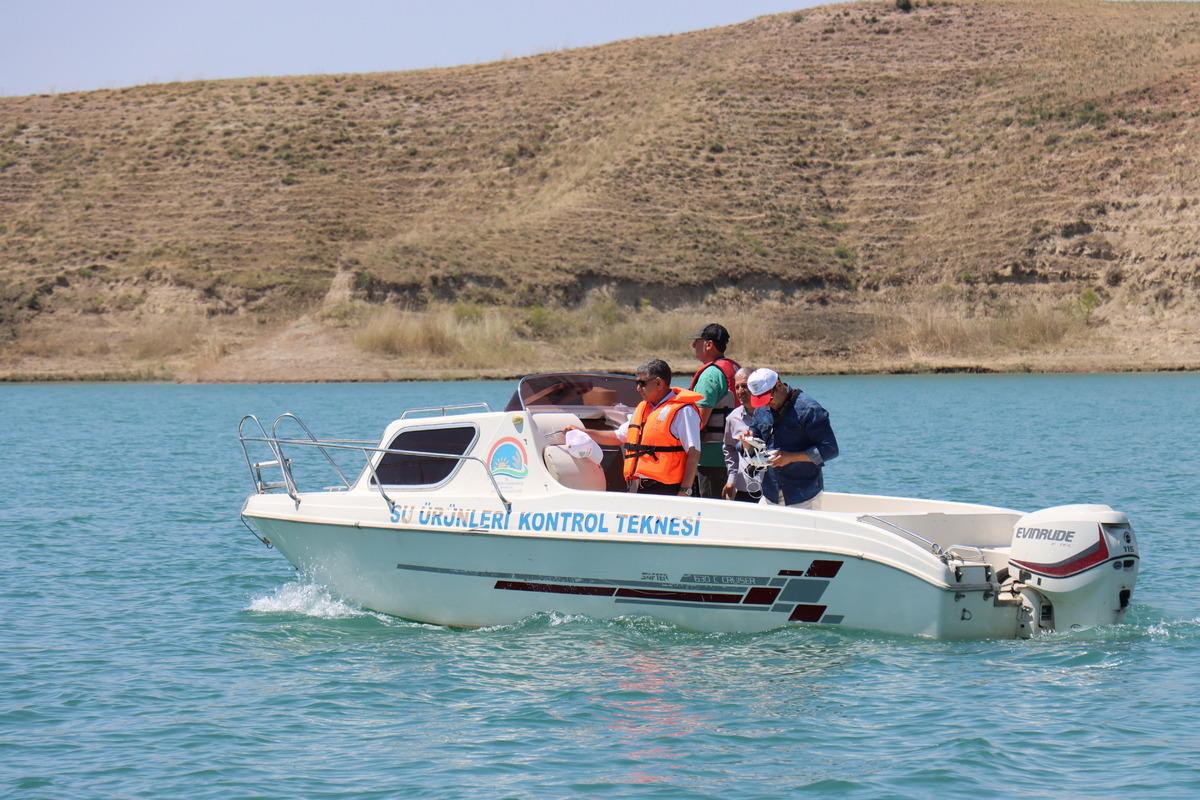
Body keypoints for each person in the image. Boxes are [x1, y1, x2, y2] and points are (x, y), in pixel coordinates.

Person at [573, 359, 702, 496]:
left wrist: (685, 491)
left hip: (670, 490)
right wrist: (582, 432)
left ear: (658, 383)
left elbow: (694, 453)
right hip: (642, 488)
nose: (638, 388)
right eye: (636, 383)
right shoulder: (643, 409)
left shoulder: (684, 411)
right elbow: (617, 436)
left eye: (642, 383)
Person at [744, 368, 839, 508]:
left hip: (804, 496)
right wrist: (746, 444)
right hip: (770, 493)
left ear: (778, 385)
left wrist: (791, 457)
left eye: (767, 399)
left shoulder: (810, 409)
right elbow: (752, 441)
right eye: (760, 401)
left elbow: (830, 450)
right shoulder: (761, 409)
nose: (766, 404)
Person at [687, 323, 741, 498]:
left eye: (697, 341)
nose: (693, 345)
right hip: (735, 455)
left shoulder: (710, 375)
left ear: (708, 344)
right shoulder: (735, 369)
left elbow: (699, 421)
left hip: (711, 458)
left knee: (710, 508)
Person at [720, 366, 759, 503]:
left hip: (770, 488)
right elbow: (729, 448)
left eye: (744, 386)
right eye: (737, 387)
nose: (740, 391)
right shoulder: (732, 418)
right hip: (744, 488)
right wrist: (732, 478)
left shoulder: (771, 413)